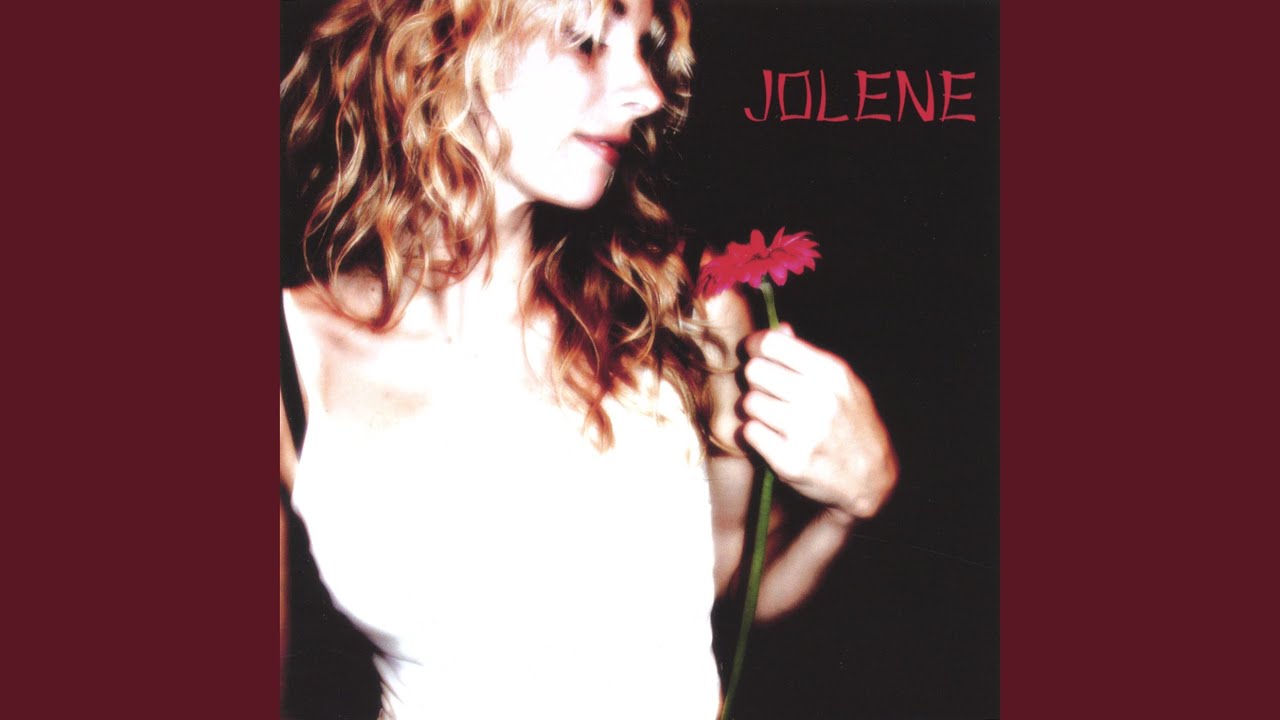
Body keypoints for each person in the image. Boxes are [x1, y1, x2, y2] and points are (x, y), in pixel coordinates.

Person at [278, 0, 898, 717]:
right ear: (438, 40)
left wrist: (852, 502)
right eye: (587, 39)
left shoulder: (681, 312)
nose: (649, 92)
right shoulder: (289, 362)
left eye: (645, 48)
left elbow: (730, 584)